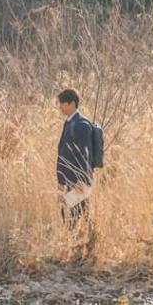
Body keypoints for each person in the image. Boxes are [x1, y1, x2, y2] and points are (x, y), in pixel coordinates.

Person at [56, 89, 98, 226]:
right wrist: (61, 179)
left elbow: (85, 154)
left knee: (74, 214)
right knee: (72, 213)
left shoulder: (81, 124)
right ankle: (82, 242)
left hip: (78, 180)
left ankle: (81, 243)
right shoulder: (69, 122)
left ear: (72, 103)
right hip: (69, 178)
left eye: (63, 103)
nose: (60, 106)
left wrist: (82, 180)